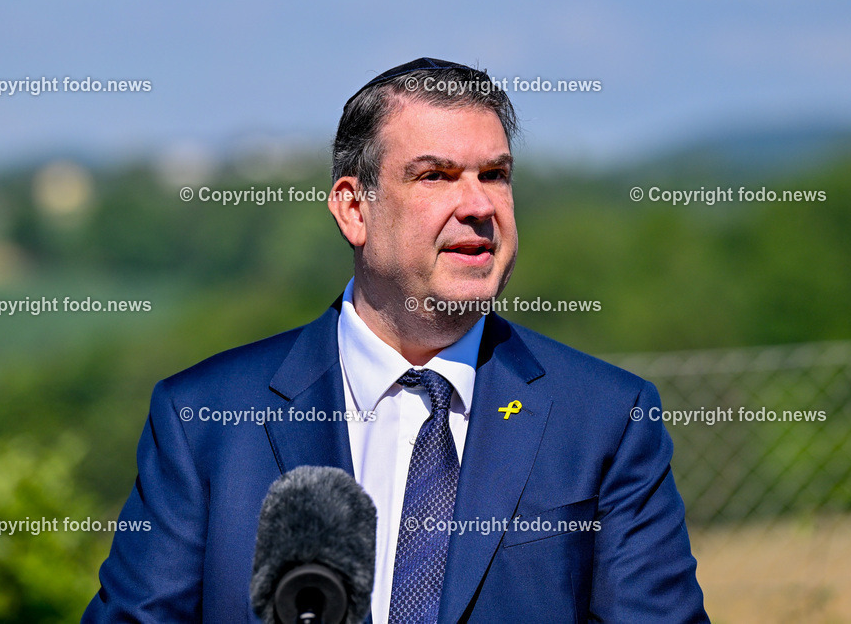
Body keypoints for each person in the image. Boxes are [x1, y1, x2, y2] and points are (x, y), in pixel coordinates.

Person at [83, 57, 708, 623]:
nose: (478, 205)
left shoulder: (604, 418)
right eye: (436, 176)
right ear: (354, 209)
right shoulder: (205, 421)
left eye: (494, 174)